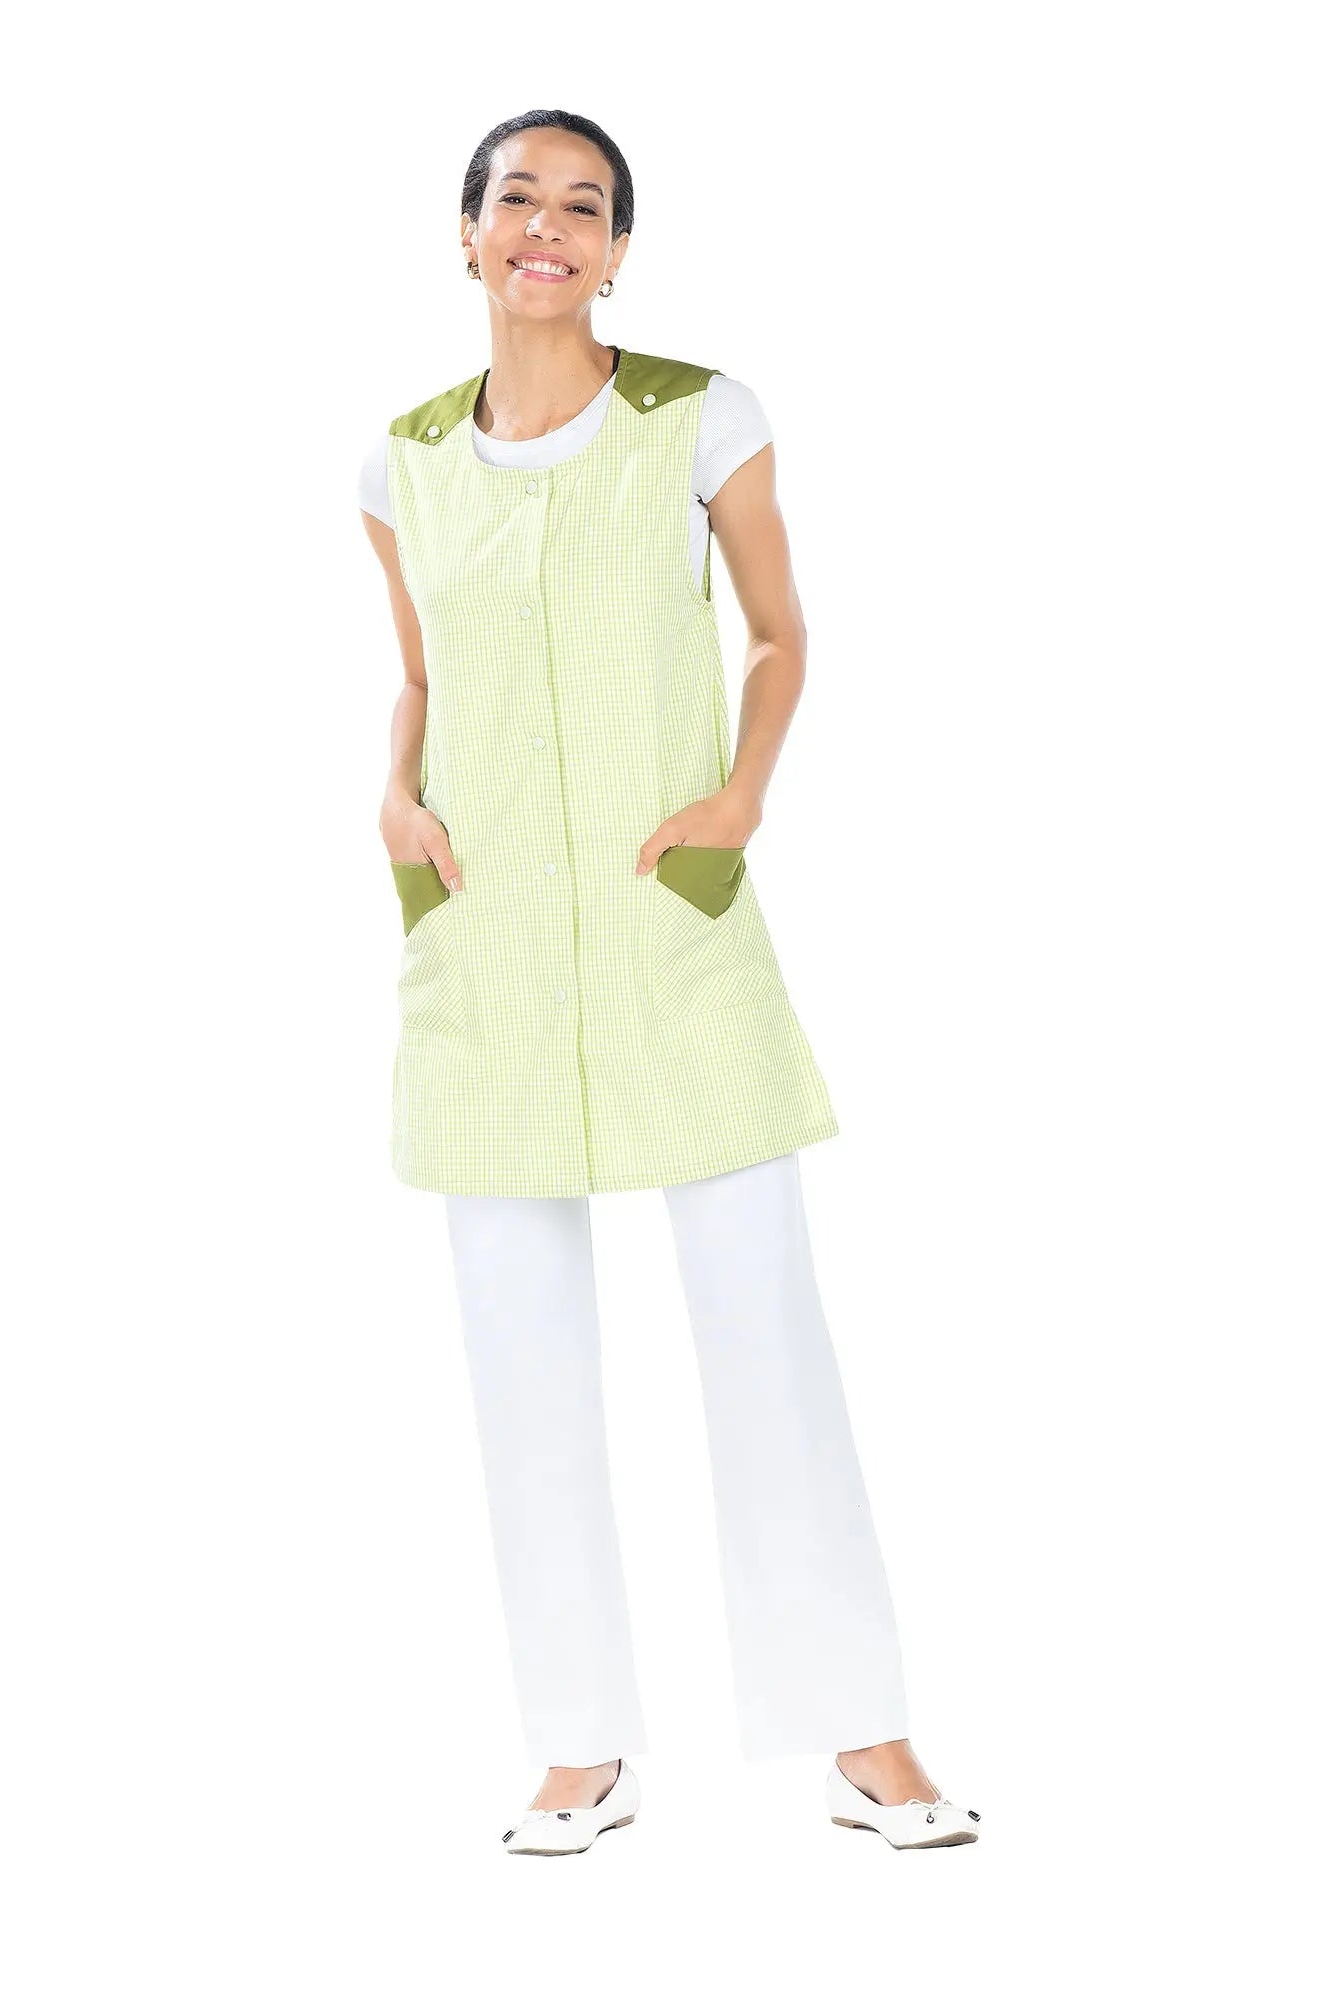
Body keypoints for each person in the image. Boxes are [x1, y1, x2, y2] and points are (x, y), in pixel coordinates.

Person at [359, 108, 980, 1856]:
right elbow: (420, 674)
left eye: (585, 206)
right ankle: (579, 1748)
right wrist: (395, 796)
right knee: (520, 1356)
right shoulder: (398, 463)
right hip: (483, 938)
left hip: (668, 919)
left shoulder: (704, 417)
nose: (546, 228)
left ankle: (863, 1736)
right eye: (517, 199)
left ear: (619, 250)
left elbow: (781, 634)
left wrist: (739, 802)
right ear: (466, 232)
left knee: (761, 1323)